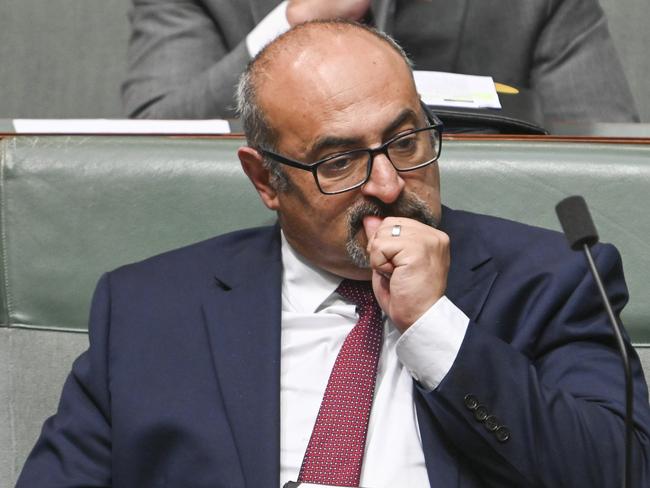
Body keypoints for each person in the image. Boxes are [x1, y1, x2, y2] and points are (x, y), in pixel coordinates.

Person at [20, 20, 650, 488]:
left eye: (405, 141)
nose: (387, 185)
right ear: (265, 180)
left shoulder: (551, 279)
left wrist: (434, 326)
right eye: (339, 161)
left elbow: (618, 472)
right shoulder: (149, 309)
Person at [122, 0, 639, 125]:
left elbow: (604, 161)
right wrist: (292, 22)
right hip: (264, 261)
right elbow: (153, 141)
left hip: (481, 268)